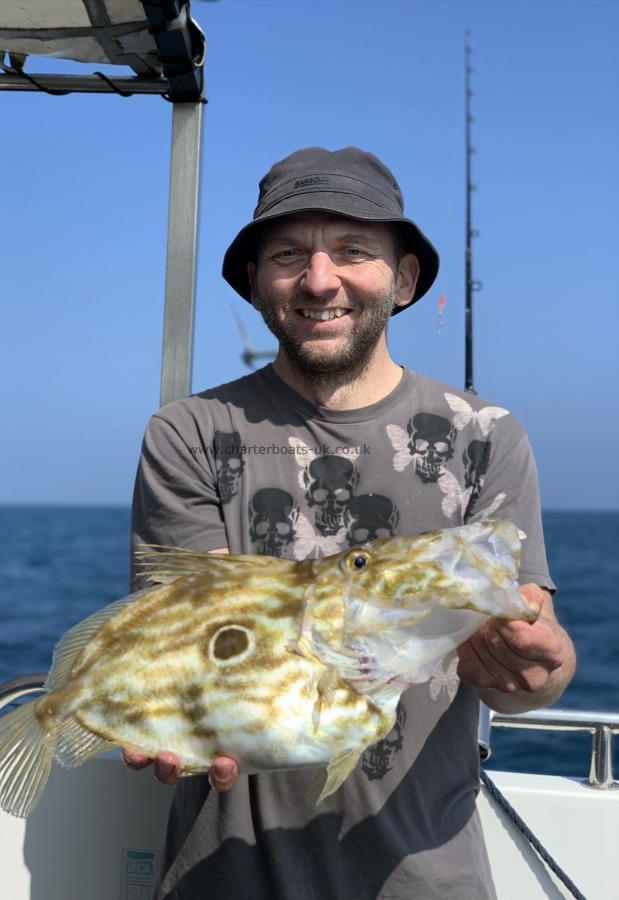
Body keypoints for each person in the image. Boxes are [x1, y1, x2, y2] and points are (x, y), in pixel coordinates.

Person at [125, 147, 576, 899]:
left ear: (402, 280)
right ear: (254, 282)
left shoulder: (485, 435)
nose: (320, 280)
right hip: (223, 875)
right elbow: (187, 634)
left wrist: (542, 670)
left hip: (424, 877)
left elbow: (520, 673)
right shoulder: (190, 431)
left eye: (354, 251)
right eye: (288, 255)